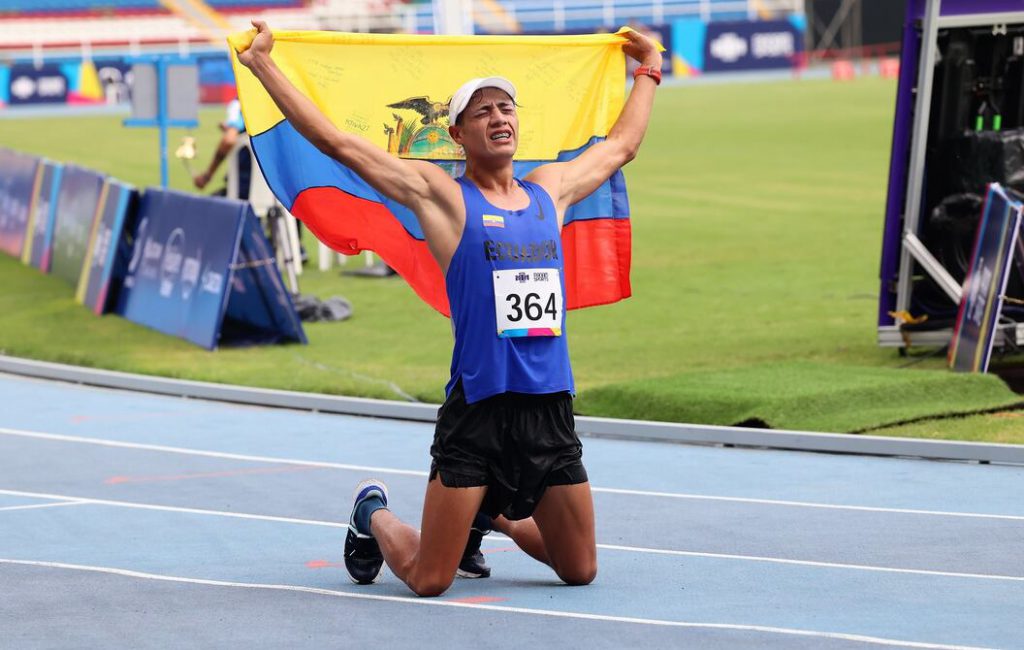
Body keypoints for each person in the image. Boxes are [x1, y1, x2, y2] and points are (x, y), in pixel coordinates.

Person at [236, 20, 661, 596]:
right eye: (482, 111)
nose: (499, 117)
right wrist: (264, 65)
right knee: (429, 580)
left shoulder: (550, 191)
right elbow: (340, 144)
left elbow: (621, 147)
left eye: (506, 107)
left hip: (548, 406)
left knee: (580, 569)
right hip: (480, 409)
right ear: (457, 135)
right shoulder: (441, 197)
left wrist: (649, 69)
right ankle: (372, 514)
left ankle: (493, 512)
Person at [193, 98, 252, 200]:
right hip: (278, 191)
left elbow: (228, 140)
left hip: (244, 187)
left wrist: (207, 176)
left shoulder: (240, 104)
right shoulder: (272, 102)